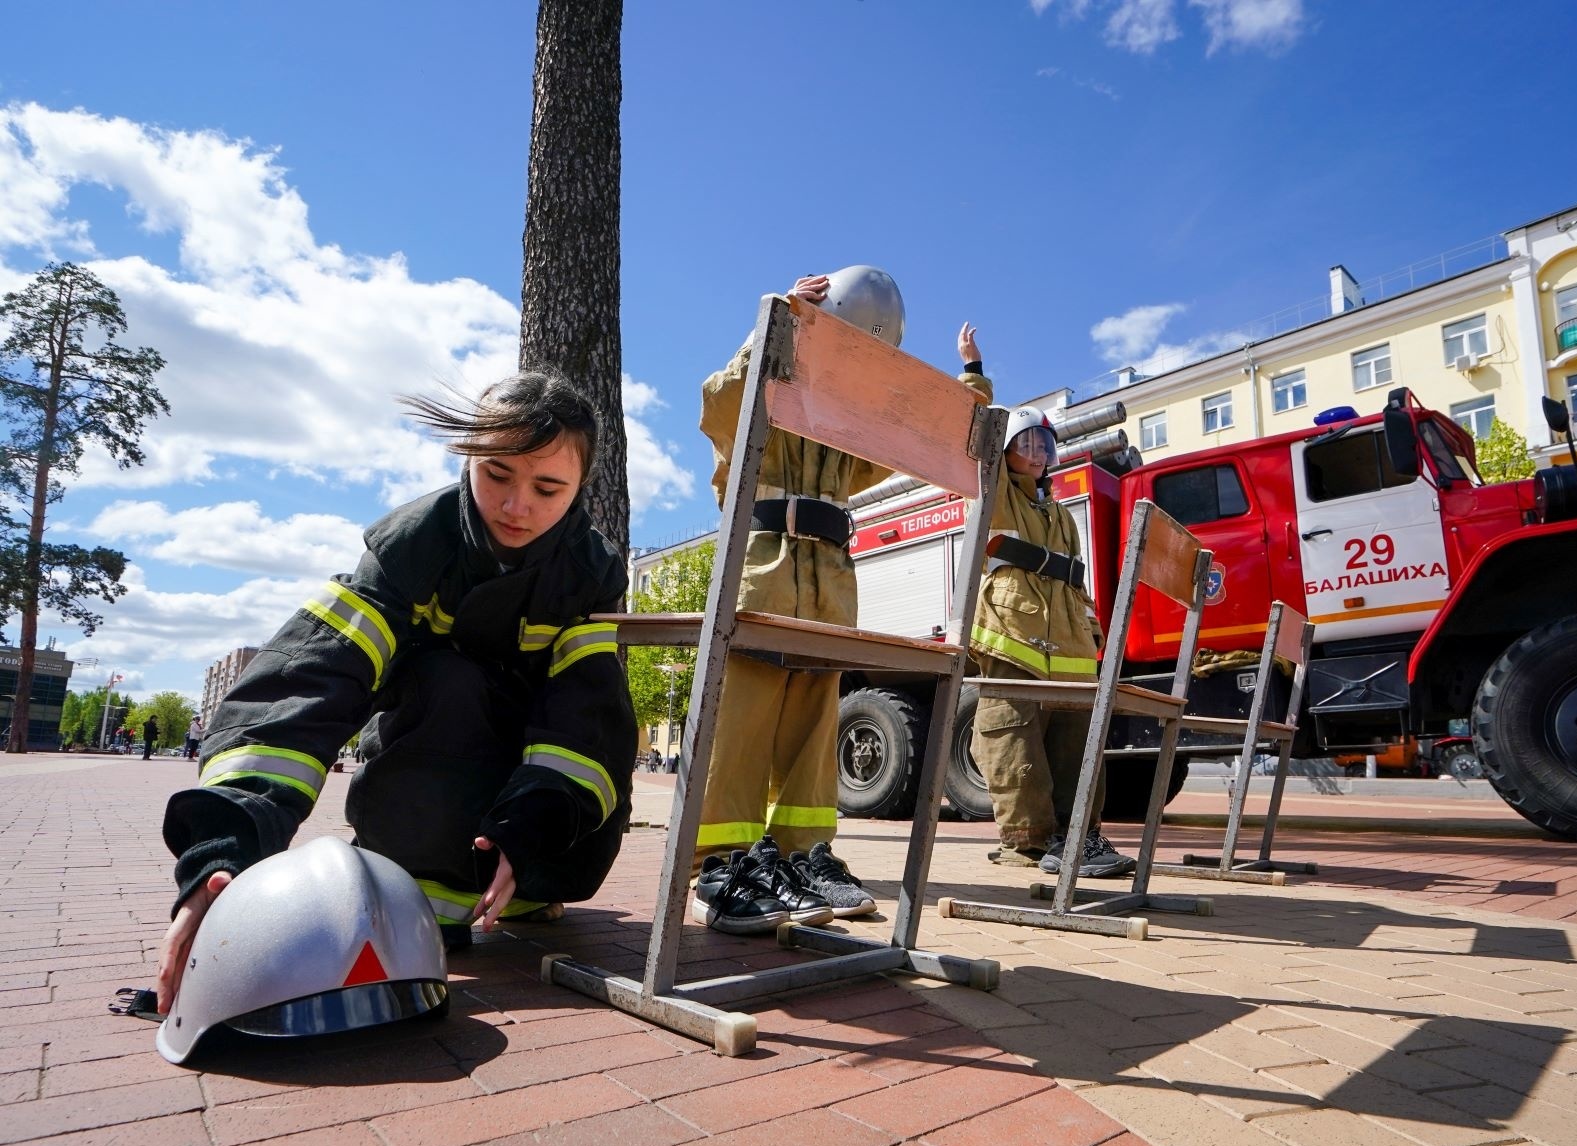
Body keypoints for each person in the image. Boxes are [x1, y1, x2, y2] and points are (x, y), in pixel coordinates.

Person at [156, 371, 637, 1014]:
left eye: (548, 488)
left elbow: (587, 719)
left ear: (580, 490)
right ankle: (422, 893)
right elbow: (304, 686)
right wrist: (224, 844)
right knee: (449, 679)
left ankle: (524, 884)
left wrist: (536, 826)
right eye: (496, 475)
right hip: (429, 750)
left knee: (570, 789)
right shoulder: (408, 549)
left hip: (535, 802)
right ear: (466, 459)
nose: (517, 506)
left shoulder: (591, 573)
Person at [692, 267, 992, 927]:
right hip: (765, 560)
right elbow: (718, 404)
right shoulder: (762, 378)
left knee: (813, 721)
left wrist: (969, 385)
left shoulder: (843, 424)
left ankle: (802, 852)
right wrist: (777, 327)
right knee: (740, 715)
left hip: (829, 574)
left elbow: (912, 439)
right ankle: (721, 864)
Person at [969, 403, 1136, 878]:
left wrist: (1092, 630)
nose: (1038, 452)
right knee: (1013, 738)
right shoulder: (996, 494)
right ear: (1007, 452)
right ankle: (1029, 842)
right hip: (1011, 635)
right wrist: (974, 374)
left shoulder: (1062, 515)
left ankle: (1079, 836)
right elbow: (978, 447)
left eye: (1044, 444)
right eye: (1026, 443)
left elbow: (1077, 582)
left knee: (1076, 742)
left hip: (1071, 646)